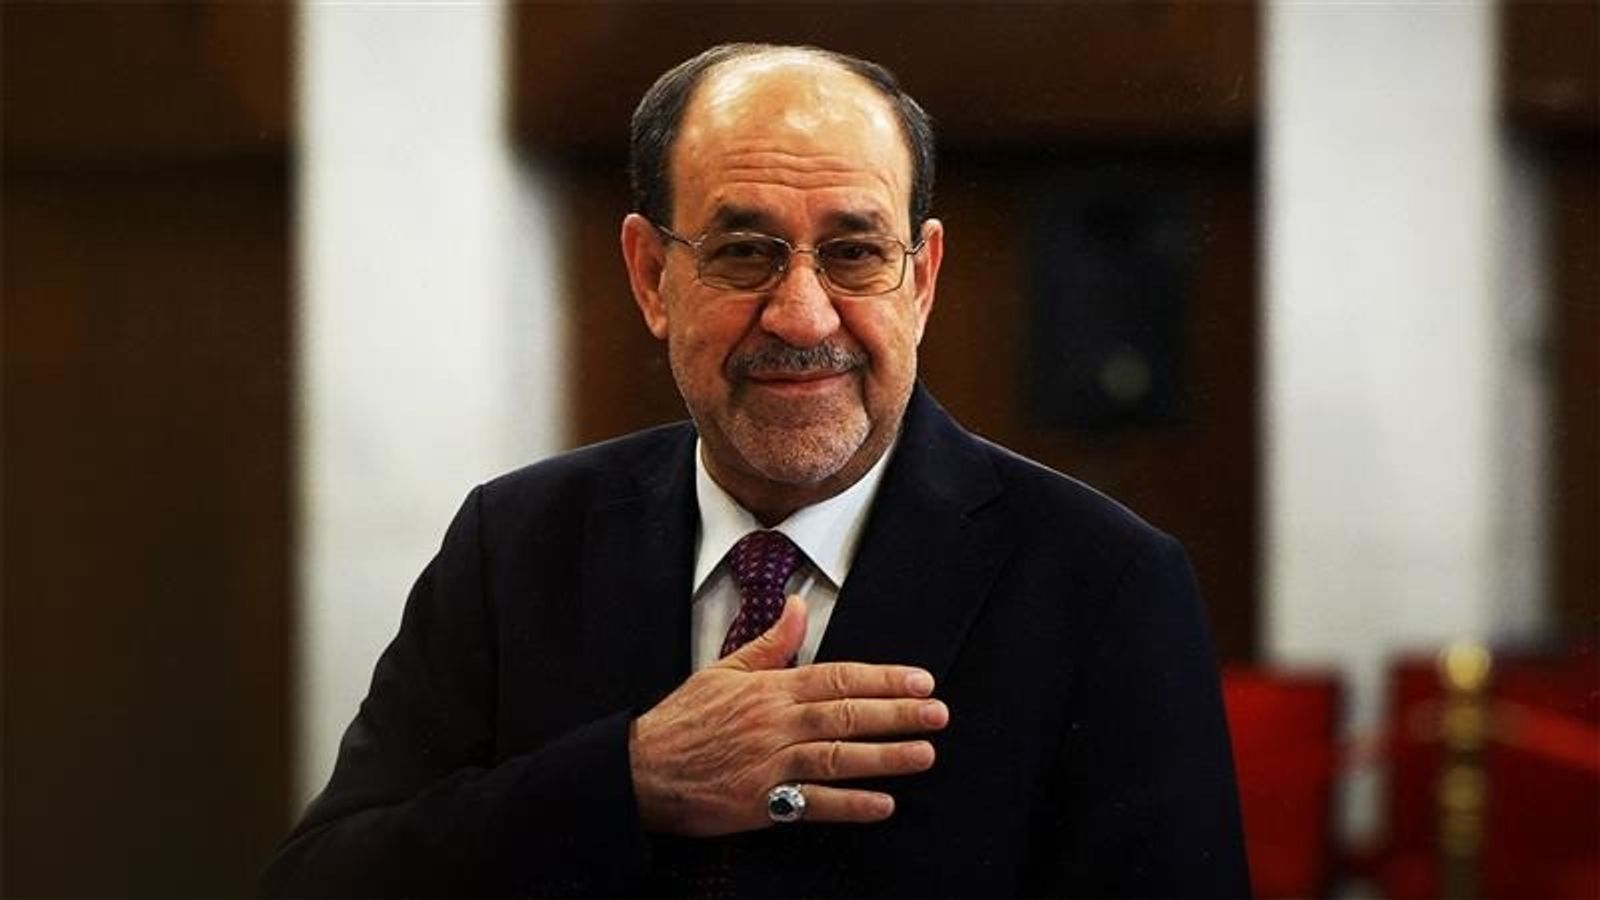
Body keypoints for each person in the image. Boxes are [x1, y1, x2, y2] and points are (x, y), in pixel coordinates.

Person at [264, 43, 1248, 898]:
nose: (802, 314)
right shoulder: (516, 542)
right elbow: (322, 880)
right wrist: (625, 780)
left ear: (921, 280)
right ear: (652, 276)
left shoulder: (1102, 582)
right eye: (744, 252)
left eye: (854, 252)